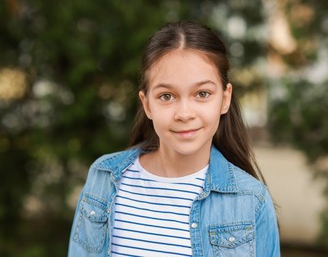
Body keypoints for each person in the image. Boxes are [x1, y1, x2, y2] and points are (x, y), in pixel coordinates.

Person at [68, 21, 280, 257]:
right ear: (147, 104)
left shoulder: (252, 200)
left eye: (202, 94)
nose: (184, 114)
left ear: (225, 98)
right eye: (166, 96)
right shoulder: (103, 178)